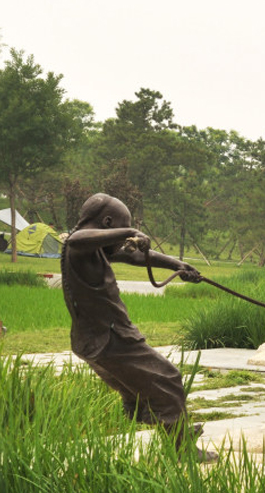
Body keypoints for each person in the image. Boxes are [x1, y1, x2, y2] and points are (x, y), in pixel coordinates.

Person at [60, 193, 216, 461]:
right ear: (107, 223)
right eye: (121, 229)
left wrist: (177, 264)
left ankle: (175, 429)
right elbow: (77, 239)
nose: (123, 241)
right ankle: (182, 449)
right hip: (110, 337)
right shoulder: (79, 246)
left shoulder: (96, 250)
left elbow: (133, 257)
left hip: (97, 339)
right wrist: (131, 232)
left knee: (146, 389)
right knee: (167, 379)